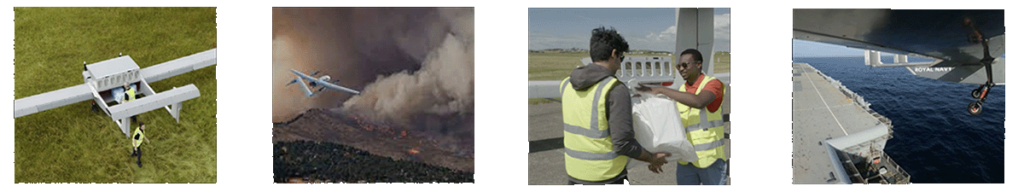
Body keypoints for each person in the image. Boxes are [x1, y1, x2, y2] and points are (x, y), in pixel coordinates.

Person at [562, 26, 671, 186]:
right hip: (605, 177)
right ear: (614, 54)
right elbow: (623, 143)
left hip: (575, 173)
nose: (620, 64)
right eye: (621, 57)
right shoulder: (614, 89)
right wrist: (652, 158)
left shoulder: (566, 84)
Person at [636, 49, 727, 186]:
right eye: (679, 66)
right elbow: (672, 129)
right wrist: (655, 157)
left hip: (710, 160)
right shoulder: (681, 91)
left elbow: (699, 102)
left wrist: (661, 89)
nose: (681, 69)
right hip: (686, 160)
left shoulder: (713, 84)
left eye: (685, 65)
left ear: (698, 65)